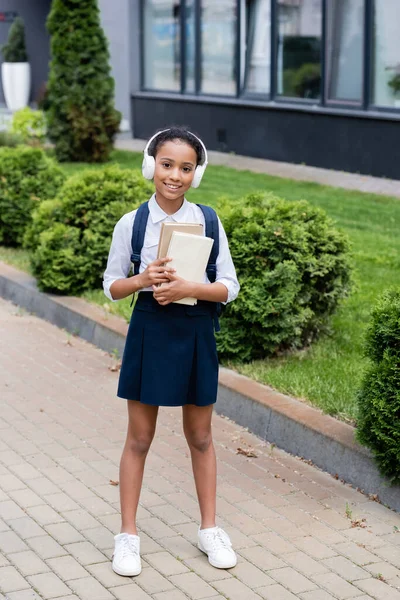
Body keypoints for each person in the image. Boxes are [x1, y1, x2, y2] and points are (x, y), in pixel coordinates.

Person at [103, 126, 240, 577]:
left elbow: (229, 288)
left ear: (196, 173)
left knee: (200, 437)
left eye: (185, 168)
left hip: (196, 332)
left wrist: (190, 287)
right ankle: (127, 535)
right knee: (139, 438)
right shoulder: (133, 223)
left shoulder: (210, 221)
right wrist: (144, 279)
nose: (175, 176)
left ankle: (209, 529)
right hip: (150, 331)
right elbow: (112, 286)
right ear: (151, 167)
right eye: (167, 165)